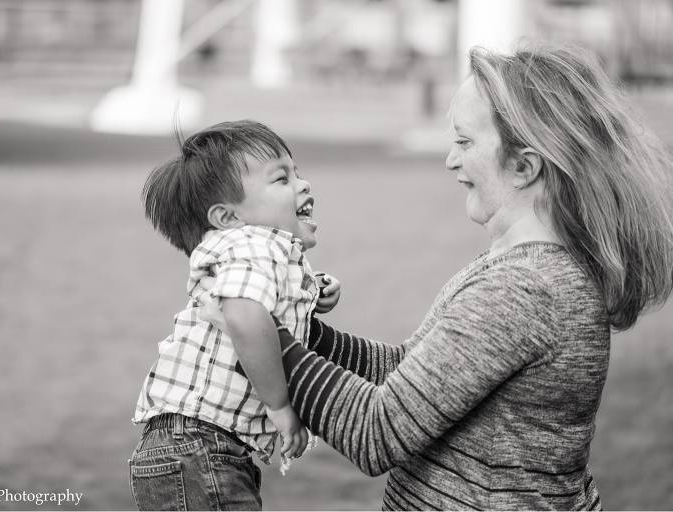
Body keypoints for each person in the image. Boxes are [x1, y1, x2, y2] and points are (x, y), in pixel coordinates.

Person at [202, 42, 673, 510]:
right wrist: (298, 331)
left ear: (524, 166)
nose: (450, 160)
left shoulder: (526, 290)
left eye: (465, 142)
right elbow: (409, 376)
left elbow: (377, 431)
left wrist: (265, 338)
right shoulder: (515, 269)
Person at [129, 120, 341, 511]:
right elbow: (245, 317)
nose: (304, 184)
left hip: (188, 446)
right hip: (201, 446)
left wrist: (317, 290)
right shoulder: (256, 245)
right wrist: (280, 407)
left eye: (298, 173)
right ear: (228, 218)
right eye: (282, 179)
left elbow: (266, 297)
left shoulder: (248, 248)